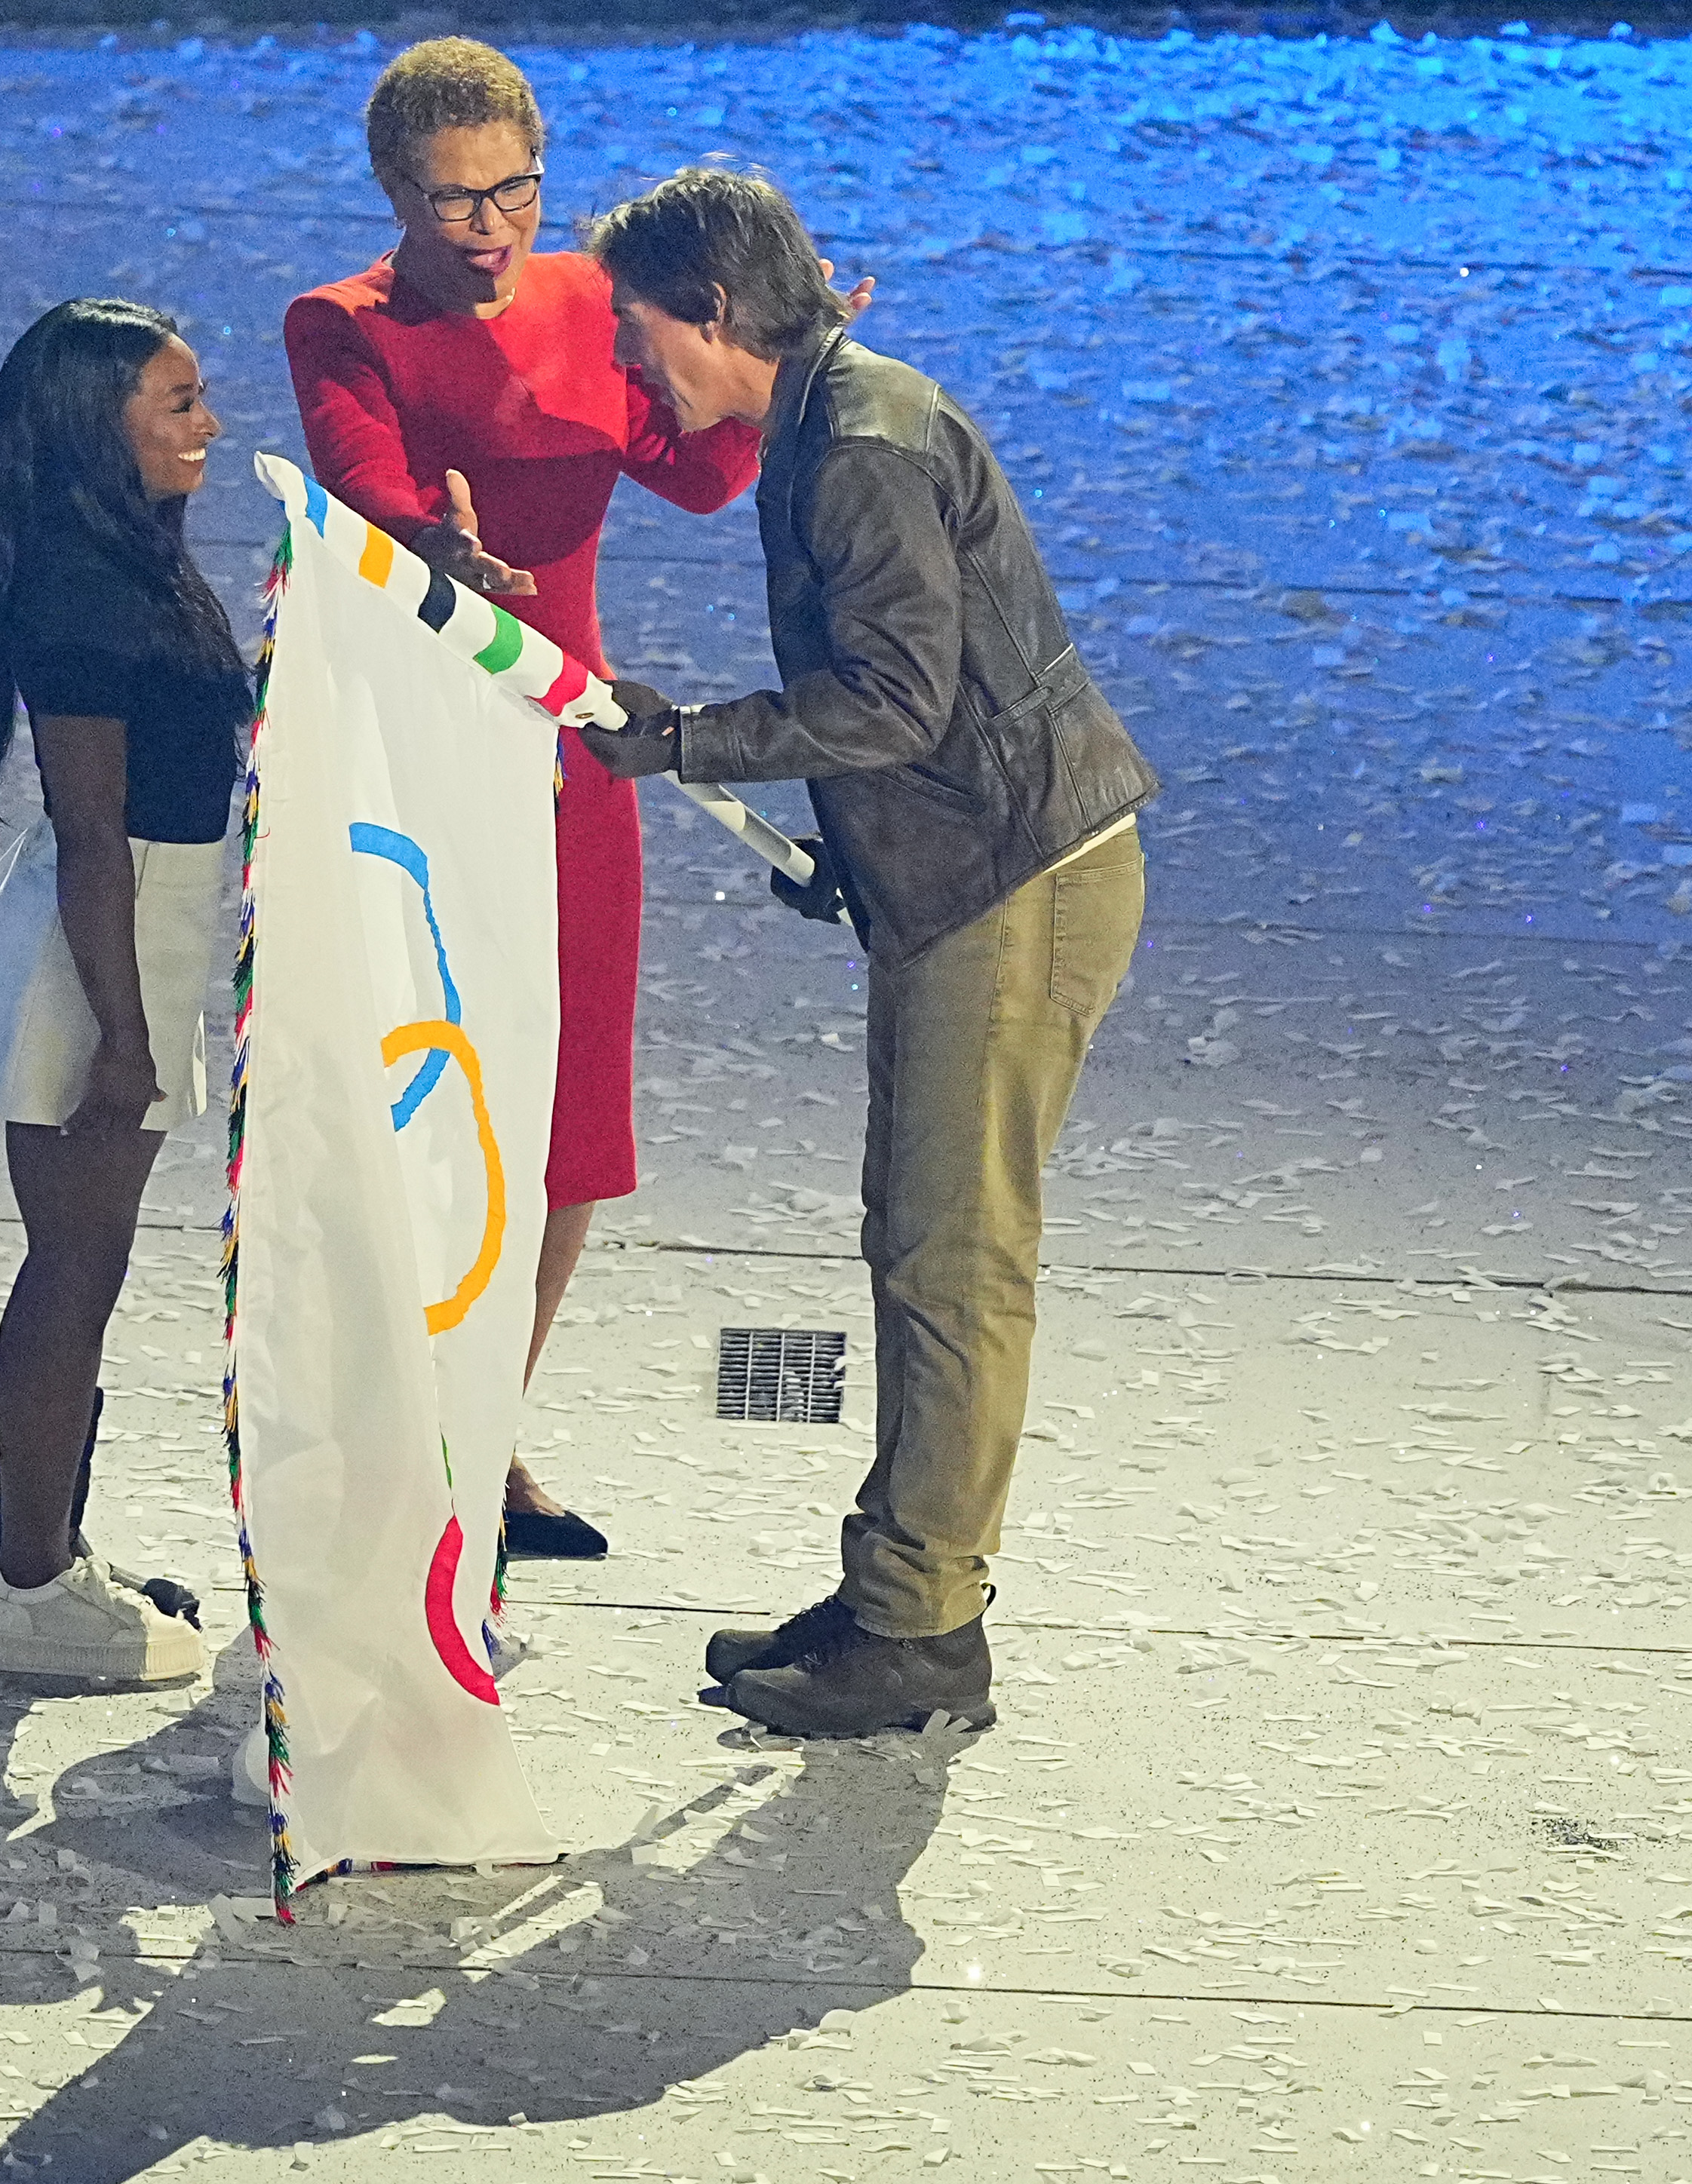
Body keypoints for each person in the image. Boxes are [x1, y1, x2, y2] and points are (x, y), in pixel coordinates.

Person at [578, 167, 1159, 1739]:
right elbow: (922, 705)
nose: (636, 368)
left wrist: (693, 741)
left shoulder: (861, 444)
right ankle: (899, 1589)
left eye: (642, 333)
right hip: (969, 871)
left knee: (956, 1261)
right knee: (919, 1249)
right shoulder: (837, 413)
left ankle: (919, 1625)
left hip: (1013, 888)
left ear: (711, 311)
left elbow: (898, 699)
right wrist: (856, 848)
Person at [281, 36, 771, 1562]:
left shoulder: (583, 299)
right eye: (452, 200)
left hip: (575, 762)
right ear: (395, 192)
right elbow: (360, 482)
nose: (488, 227)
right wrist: (441, 548)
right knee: (431, 1110)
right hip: (418, 769)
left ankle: (482, 1433)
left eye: (513, 192)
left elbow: (696, 479)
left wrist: (764, 372)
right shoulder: (342, 321)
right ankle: (384, 1435)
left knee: (567, 1129)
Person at [0, 299, 250, 1682]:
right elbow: (90, 835)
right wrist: (126, 1036)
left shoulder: (129, 556)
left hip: (138, 929)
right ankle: (29, 1587)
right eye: (177, 403)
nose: (209, 426)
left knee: (88, 1266)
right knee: (74, 1270)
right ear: (95, 425)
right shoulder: (80, 591)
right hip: (100, 951)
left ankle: (44, 1544)